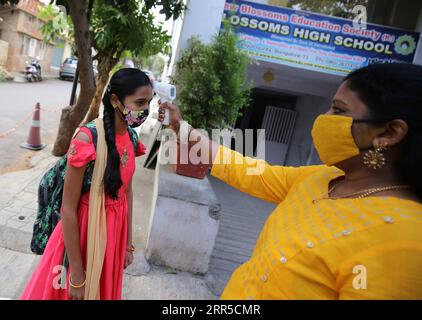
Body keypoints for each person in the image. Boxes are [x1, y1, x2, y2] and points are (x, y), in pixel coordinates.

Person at [158, 63, 422, 299]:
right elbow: (246, 170)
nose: (324, 118)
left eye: (338, 110)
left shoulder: (405, 243)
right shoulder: (322, 178)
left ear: (389, 133)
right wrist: (181, 128)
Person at [20, 68, 160, 300]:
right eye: (139, 102)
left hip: (114, 234)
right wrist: (76, 273)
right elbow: (68, 208)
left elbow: (128, 192)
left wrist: (127, 244)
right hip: (82, 234)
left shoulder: (131, 138)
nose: (145, 110)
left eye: (149, 102)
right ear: (115, 100)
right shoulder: (87, 139)